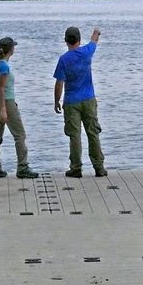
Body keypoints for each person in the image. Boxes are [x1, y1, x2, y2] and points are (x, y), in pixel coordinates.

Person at [53, 26, 107, 178]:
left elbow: (59, 83)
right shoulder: (86, 52)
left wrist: (56, 101)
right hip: (89, 99)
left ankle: (76, 168)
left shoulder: (64, 59)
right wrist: (96, 32)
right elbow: (94, 41)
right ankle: (99, 168)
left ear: (66, 41)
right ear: (79, 39)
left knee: (74, 136)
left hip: (71, 102)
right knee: (93, 133)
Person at [0, 37, 39, 179]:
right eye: (14, 47)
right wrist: (4, 108)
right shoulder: (4, 66)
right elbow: (1, 88)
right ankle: (22, 168)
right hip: (6, 102)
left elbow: (0, 89)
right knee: (20, 135)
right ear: (11, 50)